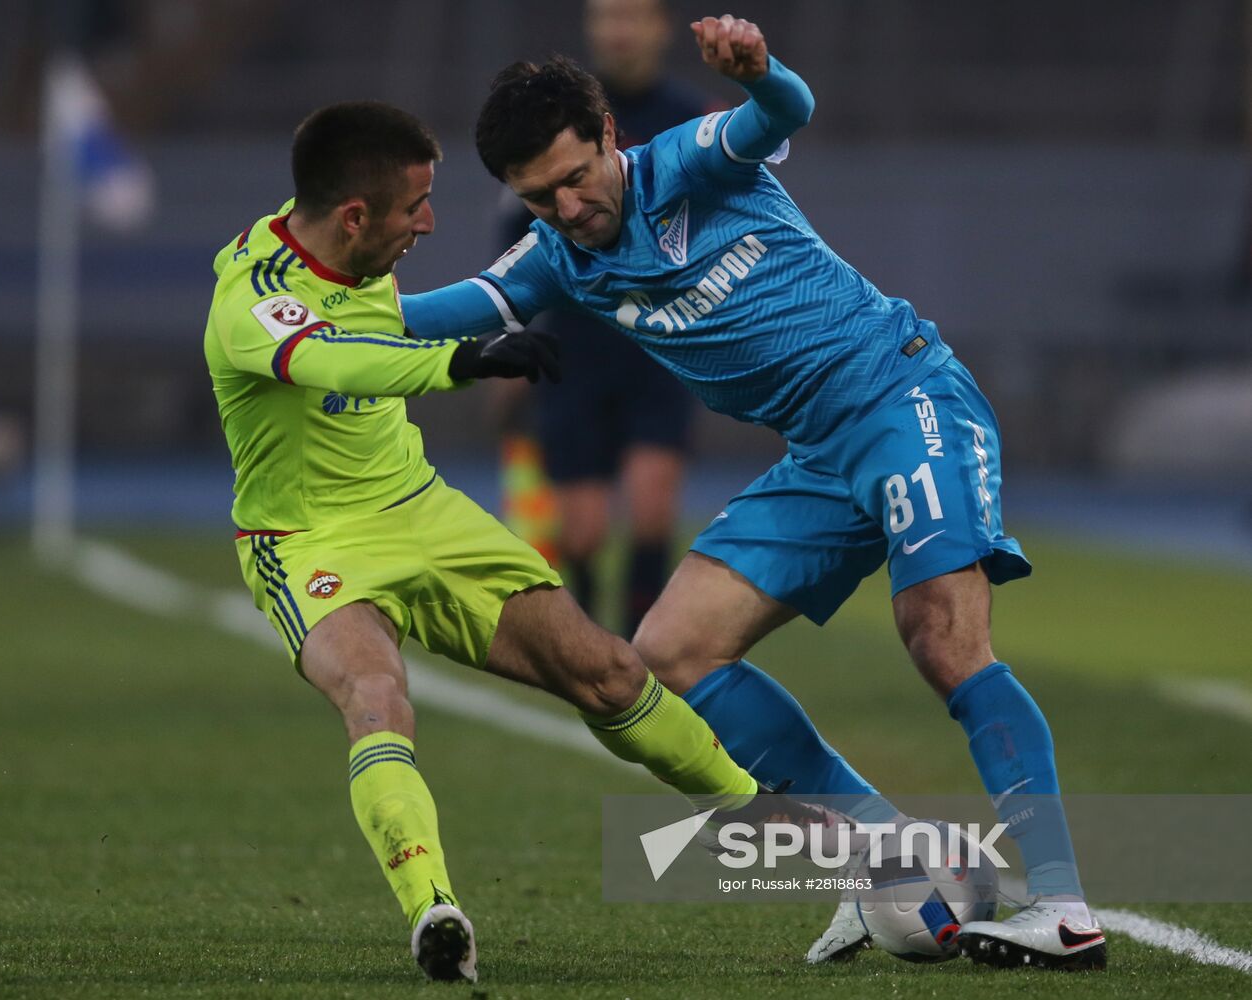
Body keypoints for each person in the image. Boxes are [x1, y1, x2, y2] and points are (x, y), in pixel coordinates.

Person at [400, 14, 1107, 972]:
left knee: (943, 636)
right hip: (819, 454)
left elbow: (783, 112)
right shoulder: (554, 255)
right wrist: (316, 307)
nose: (566, 207)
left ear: (609, 135)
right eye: (539, 196)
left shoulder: (686, 163)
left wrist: (764, 72)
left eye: (574, 178)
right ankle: (893, 856)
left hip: (903, 397)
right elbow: (450, 311)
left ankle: (1063, 907)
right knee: (671, 654)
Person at [202, 100, 824, 984]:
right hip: (304, 541)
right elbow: (339, 359)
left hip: (423, 510)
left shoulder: (356, 245)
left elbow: (400, 324)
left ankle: (756, 819)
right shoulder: (251, 299)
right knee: (376, 696)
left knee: (608, 673)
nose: (428, 222)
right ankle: (434, 911)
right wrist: (464, 359)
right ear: (354, 216)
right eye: (415, 205)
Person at [492, 0, 712, 635]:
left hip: (660, 345)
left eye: (631, 17)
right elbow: (512, 240)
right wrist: (509, 340)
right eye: (606, 17)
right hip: (578, 347)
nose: (617, 31)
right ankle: (592, 655)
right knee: (581, 531)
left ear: (659, 28)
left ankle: (645, 658)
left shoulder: (688, 118)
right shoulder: (552, 119)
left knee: (649, 510)